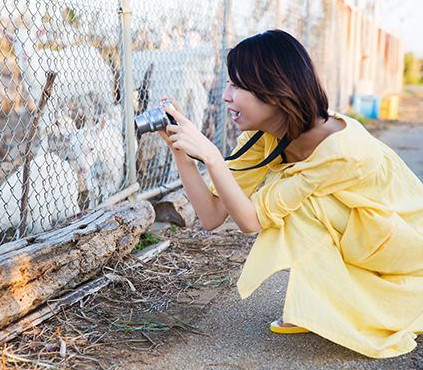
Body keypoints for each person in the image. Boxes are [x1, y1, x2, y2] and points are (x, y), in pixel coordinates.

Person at [158, 29, 423, 359]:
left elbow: (251, 221)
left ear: (275, 91)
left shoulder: (340, 150)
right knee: (293, 201)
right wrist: (180, 150)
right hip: (370, 236)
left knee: (300, 207)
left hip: (408, 245)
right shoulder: (267, 136)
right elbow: (212, 215)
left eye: (237, 85)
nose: (225, 96)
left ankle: (331, 307)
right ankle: (322, 305)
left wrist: (211, 156)